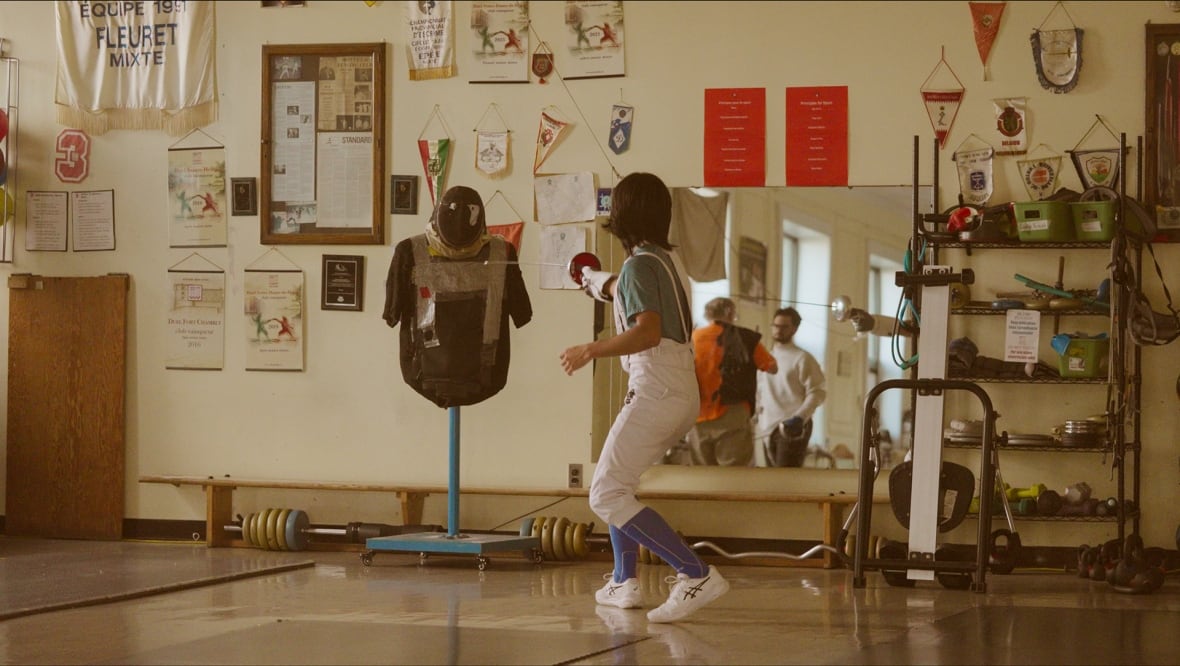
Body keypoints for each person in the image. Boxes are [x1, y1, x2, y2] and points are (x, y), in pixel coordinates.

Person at [560, 172, 729, 624]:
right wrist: (594, 280)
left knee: (604, 492)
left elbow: (647, 330)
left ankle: (694, 572)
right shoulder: (660, 262)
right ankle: (623, 580)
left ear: (622, 214)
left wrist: (591, 349)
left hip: (656, 387)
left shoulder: (639, 266)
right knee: (619, 484)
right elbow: (624, 290)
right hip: (677, 390)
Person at [685, 297, 778, 466]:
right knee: (733, 477)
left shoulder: (692, 338)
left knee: (701, 477)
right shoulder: (745, 338)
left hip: (697, 416)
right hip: (732, 415)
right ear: (729, 312)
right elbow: (772, 367)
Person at [755, 307, 827, 467]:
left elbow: (817, 392)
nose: (778, 330)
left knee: (785, 479)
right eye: (775, 326)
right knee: (771, 480)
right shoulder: (766, 357)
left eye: (784, 327)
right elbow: (760, 391)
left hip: (792, 426)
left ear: (794, 329)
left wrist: (800, 417)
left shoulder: (802, 358)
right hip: (767, 427)